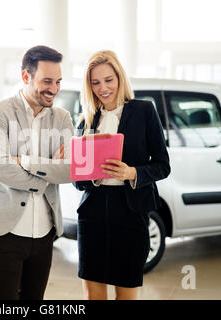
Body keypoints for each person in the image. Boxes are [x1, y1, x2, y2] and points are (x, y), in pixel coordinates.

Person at [0, 45, 74, 300]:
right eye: (47, 81)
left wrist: (24, 161)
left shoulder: (62, 119)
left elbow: (71, 170)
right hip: (3, 232)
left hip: (44, 233)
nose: (54, 88)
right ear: (26, 76)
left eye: (58, 81)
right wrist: (48, 172)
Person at [72, 50, 170, 300]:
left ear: (119, 78)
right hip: (93, 212)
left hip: (130, 211)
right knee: (93, 294)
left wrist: (132, 172)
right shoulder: (86, 121)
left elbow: (162, 165)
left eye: (108, 80)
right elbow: (78, 181)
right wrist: (92, 176)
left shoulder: (144, 111)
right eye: (95, 82)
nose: (103, 88)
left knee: (125, 292)